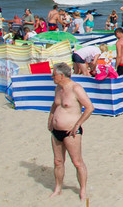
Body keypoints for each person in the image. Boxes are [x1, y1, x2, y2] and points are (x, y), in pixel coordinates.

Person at [48, 62, 93, 199]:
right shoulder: (58, 89)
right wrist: (50, 120)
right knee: (58, 161)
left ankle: (83, 190)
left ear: (61, 75)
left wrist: (77, 124)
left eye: (54, 74)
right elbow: (54, 105)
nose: (52, 77)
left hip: (71, 132)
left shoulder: (75, 89)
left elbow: (89, 107)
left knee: (77, 162)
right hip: (56, 131)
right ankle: (58, 188)